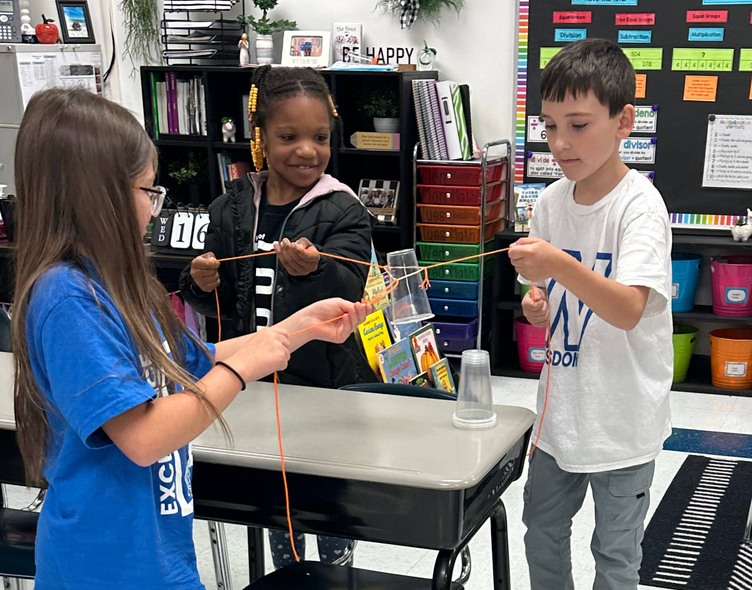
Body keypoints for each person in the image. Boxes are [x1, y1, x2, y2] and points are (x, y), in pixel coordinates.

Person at [11, 87, 368, 588]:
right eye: (147, 192)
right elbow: (144, 437)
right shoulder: (69, 298)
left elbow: (193, 360)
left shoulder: (116, 285)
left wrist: (296, 329)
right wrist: (243, 370)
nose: (156, 210)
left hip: (158, 558)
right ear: (99, 196)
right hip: (105, 567)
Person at [180, 65, 374, 569]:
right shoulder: (231, 208)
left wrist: (314, 272)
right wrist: (201, 283)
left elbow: (348, 293)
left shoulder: (343, 210)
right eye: (289, 137)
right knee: (278, 508)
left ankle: (334, 572)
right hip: (253, 386)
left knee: (327, 500)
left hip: (323, 388)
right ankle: (288, 575)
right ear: (260, 137)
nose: (306, 150)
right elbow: (218, 302)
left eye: (319, 137)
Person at [508, 38, 672, 590]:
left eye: (578, 125)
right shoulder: (551, 202)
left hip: (623, 422)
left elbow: (629, 308)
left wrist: (557, 263)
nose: (560, 142)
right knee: (541, 531)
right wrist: (537, 303)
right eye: (550, 126)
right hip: (560, 419)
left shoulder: (640, 206)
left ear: (624, 121)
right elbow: (543, 300)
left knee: (616, 552)